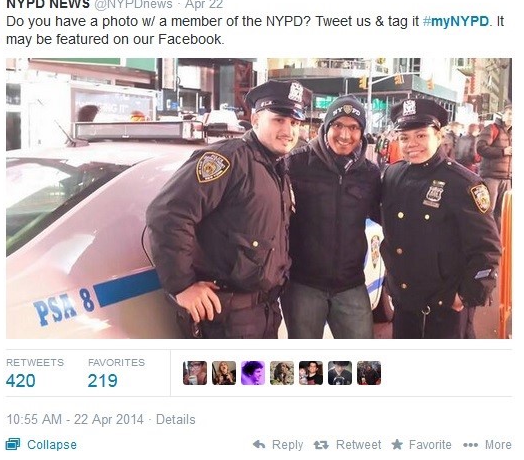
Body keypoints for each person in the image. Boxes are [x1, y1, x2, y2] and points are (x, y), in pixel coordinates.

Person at [146, 80, 311, 338]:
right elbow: (169, 213)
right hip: (227, 318)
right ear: (256, 119)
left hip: (264, 311)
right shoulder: (229, 159)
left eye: (295, 123)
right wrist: (182, 286)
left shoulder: (276, 166)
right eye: (279, 120)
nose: (289, 131)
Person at [380, 98, 502, 339]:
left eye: (421, 135)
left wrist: (466, 296)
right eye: (404, 138)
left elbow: (487, 250)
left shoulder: (464, 184)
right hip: (405, 305)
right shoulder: (393, 175)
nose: (411, 144)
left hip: (445, 311)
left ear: (439, 136)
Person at [281, 95, 381, 339]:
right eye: (338, 125)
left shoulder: (369, 173)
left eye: (353, 127)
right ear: (326, 128)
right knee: (307, 368)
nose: (345, 135)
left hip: (351, 285)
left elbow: (388, 217)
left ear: (362, 132)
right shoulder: (294, 164)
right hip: (303, 285)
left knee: (365, 370)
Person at [477, 104, 512, 230]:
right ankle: (484, 237)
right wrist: (503, 151)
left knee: (503, 212)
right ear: (503, 115)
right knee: (487, 210)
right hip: (491, 176)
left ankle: (497, 240)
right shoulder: (491, 128)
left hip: (507, 177)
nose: (512, 118)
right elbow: (480, 148)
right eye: (510, 114)